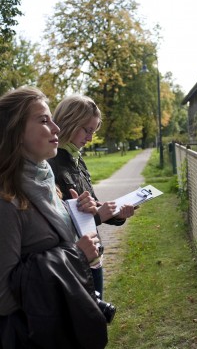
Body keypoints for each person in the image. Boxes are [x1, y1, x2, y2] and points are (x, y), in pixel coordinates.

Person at [0, 86, 107, 348]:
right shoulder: (6, 201)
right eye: (44, 120)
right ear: (15, 131)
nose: (56, 128)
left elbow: (51, 238)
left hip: (63, 322)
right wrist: (76, 255)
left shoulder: (46, 182)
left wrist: (78, 213)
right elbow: (3, 297)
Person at [48, 94, 134, 297]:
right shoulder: (50, 165)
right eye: (87, 130)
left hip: (94, 257)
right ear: (69, 122)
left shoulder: (77, 160)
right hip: (72, 262)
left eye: (93, 131)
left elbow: (92, 206)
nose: (90, 138)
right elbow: (57, 224)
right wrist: (98, 216)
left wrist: (116, 214)